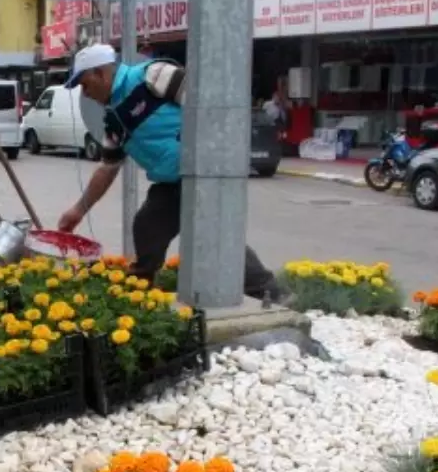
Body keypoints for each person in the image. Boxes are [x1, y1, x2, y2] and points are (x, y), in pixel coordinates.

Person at [56, 44, 287, 303]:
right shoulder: (113, 120)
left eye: (85, 85)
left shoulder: (152, 76)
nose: (85, 94)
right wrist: (78, 210)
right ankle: (140, 293)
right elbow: (107, 168)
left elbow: (205, 106)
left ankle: (271, 293)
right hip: (170, 183)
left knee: (214, 237)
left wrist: (212, 159)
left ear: (100, 73)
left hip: (200, 175)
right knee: (146, 226)